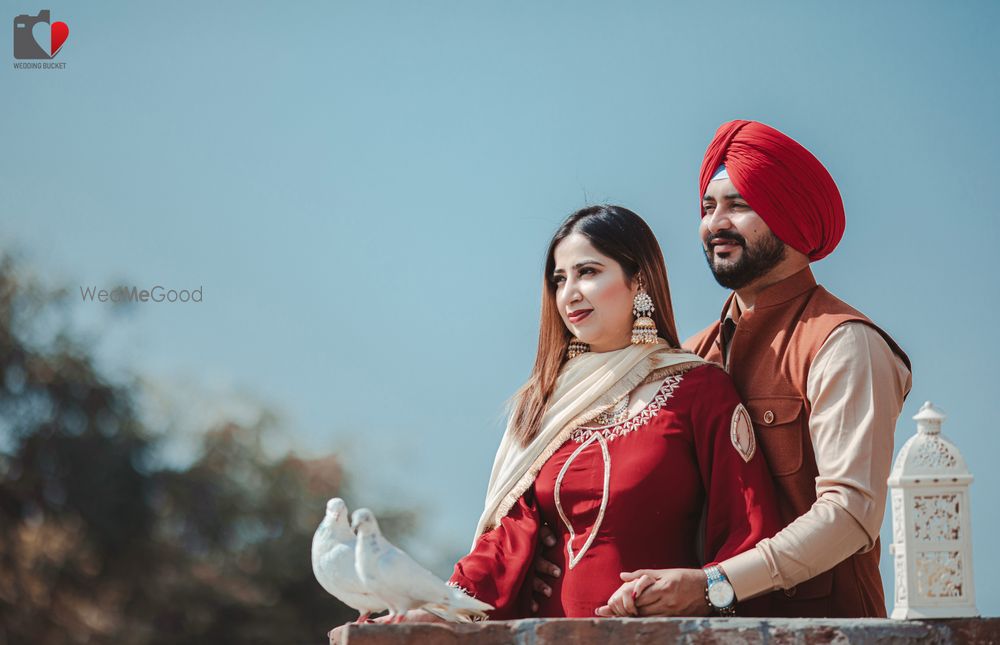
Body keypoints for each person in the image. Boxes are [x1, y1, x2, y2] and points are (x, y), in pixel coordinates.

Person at [534, 121, 910, 618]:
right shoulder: (694, 355)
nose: (715, 224)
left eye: (739, 204)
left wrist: (715, 585)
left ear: (789, 214)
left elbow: (849, 516)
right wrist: (551, 548)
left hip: (825, 628)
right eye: (708, 208)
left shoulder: (844, 343)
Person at [411, 204, 782, 621]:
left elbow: (747, 530)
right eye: (559, 278)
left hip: (655, 633)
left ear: (637, 278)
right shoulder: (546, 401)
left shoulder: (699, 389)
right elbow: (506, 541)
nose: (569, 293)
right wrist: (438, 609)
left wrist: (701, 590)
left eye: (588, 272)